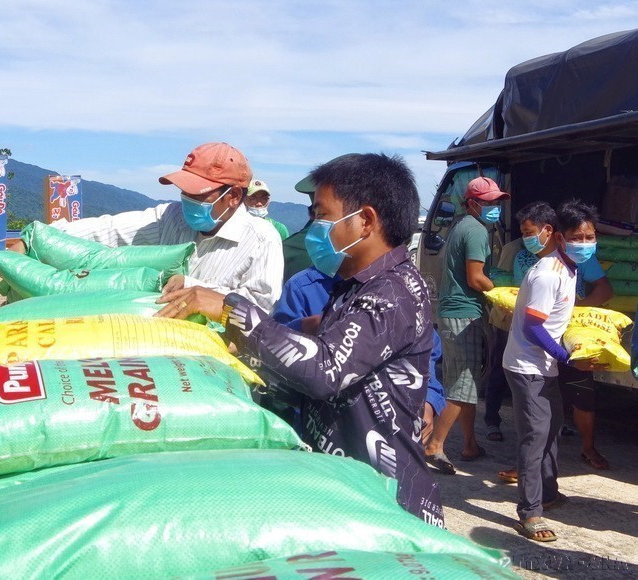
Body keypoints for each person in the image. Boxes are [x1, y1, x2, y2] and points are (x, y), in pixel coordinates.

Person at [156, 153, 445, 527]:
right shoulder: (355, 289)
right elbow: (310, 351)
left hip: (385, 502)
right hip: (345, 489)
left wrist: (232, 309)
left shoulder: (392, 293)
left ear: (366, 221)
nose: (313, 227)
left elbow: (323, 371)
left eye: (322, 214)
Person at [31, 142, 283, 311]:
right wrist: (38, 237)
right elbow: (109, 230)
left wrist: (196, 288)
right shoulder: (171, 217)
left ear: (234, 196)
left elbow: (260, 306)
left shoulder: (262, 239)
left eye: (198, 194)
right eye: (184, 191)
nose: (187, 200)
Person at [502, 201, 607, 542]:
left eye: (590, 236)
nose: (586, 242)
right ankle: (530, 513)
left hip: (545, 365)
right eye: (578, 236)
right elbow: (534, 327)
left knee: (551, 430)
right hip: (527, 366)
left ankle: (548, 492)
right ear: (561, 238)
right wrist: (566, 358)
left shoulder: (571, 268)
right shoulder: (547, 274)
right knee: (535, 437)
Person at [424, 176, 509, 474]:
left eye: (497, 201)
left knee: (464, 382)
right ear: (472, 203)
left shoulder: (460, 226)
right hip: (465, 314)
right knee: (463, 387)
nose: (495, 206)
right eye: (488, 202)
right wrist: (502, 294)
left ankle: (470, 444)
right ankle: (434, 445)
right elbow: (476, 278)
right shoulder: (476, 231)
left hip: (452, 313)